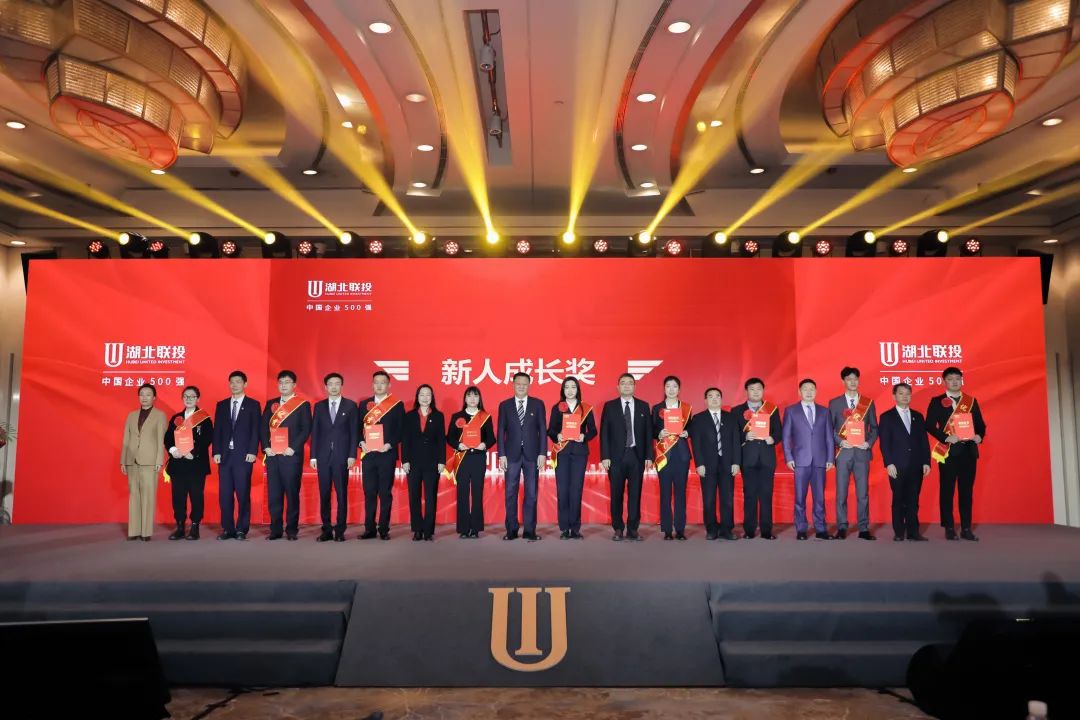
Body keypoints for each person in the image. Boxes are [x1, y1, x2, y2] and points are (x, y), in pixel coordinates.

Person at [925, 366, 986, 541]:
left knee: (966, 492)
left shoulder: (971, 401)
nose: (954, 382)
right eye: (950, 379)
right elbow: (929, 425)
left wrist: (979, 436)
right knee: (947, 490)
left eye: (957, 379)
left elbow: (981, 425)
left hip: (969, 452)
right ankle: (949, 527)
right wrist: (945, 437)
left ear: (961, 380)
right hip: (948, 453)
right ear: (944, 381)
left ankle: (966, 528)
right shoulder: (937, 401)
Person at [599, 373, 653, 541]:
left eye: (630, 383)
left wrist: (649, 456)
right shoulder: (610, 406)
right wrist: (605, 456)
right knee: (616, 494)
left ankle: (633, 529)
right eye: (623, 383)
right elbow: (604, 433)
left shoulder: (644, 406)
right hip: (616, 457)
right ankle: (618, 528)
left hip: (637, 455)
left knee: (635, 494)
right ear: (618, 387)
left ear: (635, 386)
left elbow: (648, 433)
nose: (627, 386)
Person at [827, 367, 879, 540]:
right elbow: (829, 429)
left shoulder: (868, 403)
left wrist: (868, 443)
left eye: (855, 379)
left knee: (863, 493)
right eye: (849, 379)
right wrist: (840, 441)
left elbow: (874, 428)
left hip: (862, 454)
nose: (853, 382)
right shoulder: (834, 403)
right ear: (843, 381)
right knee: (841, 493)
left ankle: (863, 528)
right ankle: (842, 527)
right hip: (843, 453)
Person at [497, 373, 548, 542]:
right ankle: (511, 530)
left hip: (532, 455)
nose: (521, 386)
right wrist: (501, 454)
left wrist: (542, 453)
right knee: (510, 493)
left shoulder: (538, 404)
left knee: (531, 494)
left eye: (524, 384)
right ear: (513, 385)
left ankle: (529, 530)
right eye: (518, 384)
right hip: (511, 455)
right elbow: (500, 431)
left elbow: (542, 429)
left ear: (529, 385)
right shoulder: (504, 405)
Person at [261, 370, 311, 541]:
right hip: (273, 456)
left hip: (291, 456)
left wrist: (293, 447)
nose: (283, 385)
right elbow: (263, 427)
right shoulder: (271, 404)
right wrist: (266, 447)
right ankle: (275, 529)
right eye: (281, 382)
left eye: (287, 382)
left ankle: (291, 530)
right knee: (274, 495)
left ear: (294, 385)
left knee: (291, 494)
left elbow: (306, 429)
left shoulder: (302, 405)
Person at [783, 378, 835, 540]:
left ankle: (820, 529)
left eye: (812, 389)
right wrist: (788, 457)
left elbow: (829, 437)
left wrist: (830, 458)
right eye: (805, 389)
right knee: (800, 497)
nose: (809, 392)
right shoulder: (791, 411)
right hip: (799, 460)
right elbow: (786, 437)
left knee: (819, 497)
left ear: (816, 391)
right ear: (799, 392)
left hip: (820, 460)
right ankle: (801, 529)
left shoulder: (824, 411)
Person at [879, 382, 931, 542]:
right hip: (897, 466)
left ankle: (914, 532)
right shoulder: (887, 417)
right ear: (894, 396)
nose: (905, 396)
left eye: (908, 393)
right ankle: (899, 532)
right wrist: (889, 463)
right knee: (898, 499)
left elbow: (924, 441)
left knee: (913, 499)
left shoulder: (918, 416)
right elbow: (884, 443)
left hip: (916, 465)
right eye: (901, 393)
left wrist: (926, 462)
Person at [212, 370, 261, 540]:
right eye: (232, 382)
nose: (234, 385)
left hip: (244, 456)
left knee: (242, 493)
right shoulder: (222, 405)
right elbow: (217, 430)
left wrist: (252, 451)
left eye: (238, 382)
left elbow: (255, 430)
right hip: (225, 456)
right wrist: (216, 451)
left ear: (245, 384)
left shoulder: (253, 405)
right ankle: (228, 529)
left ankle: (241, 529)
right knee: (225, 495)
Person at [730, 378, 781, 540]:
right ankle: (749, 530)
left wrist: (772, 438)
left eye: (759, 389)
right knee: (750, 494)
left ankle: (766, 530)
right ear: (746, 391)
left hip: (767, 458)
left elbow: (779, 432)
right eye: (752, 389)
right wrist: (745, 436)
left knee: (766, 494)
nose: (756, 392)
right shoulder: (737, 411)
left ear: (763, 390)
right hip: (748, 458)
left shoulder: (772, 409)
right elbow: (732, 435)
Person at [547, 376, 597, 540]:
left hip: (579, 453)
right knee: (562, 491)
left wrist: (584, 436)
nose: (570, 390)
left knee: (576, 490)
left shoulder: (585, 408)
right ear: (563, 390)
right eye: (567, 387)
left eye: (573, 387)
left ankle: (575, 528)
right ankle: (564, 528)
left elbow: (593, 431)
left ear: (578, 389)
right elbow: (551, 430)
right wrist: (557, 435)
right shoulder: (557, 407)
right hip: (562, 453)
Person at [309, 372, 358, 542]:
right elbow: (315, 432)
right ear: (326, 387)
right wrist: (313, 456)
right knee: (324, 494)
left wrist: (352, 455)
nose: (334, 387)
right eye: (330, 384)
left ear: (342, 386)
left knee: (341, 494)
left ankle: (340, 530)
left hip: (342, 457)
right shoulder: (319, 406)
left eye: (337, 383)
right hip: (323, 457)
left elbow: (354, 432)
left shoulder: (350, 406)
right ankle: (326, 529)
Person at [689, 387, 742, 540]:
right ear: (705, 400)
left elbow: (736, 441)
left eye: (717, 396)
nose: (714, 398)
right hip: (707, 465)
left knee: (727, 499)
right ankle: (711, 529)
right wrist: (699, 464)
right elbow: (696, 443)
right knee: (709, 499)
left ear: (721, 399)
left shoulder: (731, 418)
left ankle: (727, 529)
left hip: (727, 464)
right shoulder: (698, 418)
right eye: (710, 396)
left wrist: (736, 462)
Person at [358, 370, 405, 540]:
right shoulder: (364, 404)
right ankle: (369, 529)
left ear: (389, 385)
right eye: (376, 382)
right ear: (372, 384)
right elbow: (357, 428)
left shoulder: (396, 405)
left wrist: (389, 444)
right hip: (368, 455)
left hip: (387, 454)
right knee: (369, 492)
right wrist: (361, 442)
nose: (379, 385)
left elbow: (401, 429)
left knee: (385, 493)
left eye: (383, 382)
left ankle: (384, 528)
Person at [163, 386, 213, 541]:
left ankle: (195, 526)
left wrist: (194, 452)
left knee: (196, 496)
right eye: (186, 396)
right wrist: (172, 450)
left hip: (196, 464)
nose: (189, 399)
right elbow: (168, 438)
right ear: (182, 398)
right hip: (178, 464)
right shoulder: (176, 418)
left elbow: (207, 439)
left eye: (192, 396)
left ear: (198, 399)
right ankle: (180, 527)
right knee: (178, 497)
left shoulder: (204, 418)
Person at [446, 386, 495, 539]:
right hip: (462, 459)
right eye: (469, 396)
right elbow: (450, 437)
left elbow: (491, 438)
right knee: (462, 493)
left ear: (479, 399)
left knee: (477, 493)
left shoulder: (485, 416)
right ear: (465, 399)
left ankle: (475, 528)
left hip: (478, 458)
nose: (472, 399)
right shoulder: (457, 416)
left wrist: (484, 444)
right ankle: (463, 528)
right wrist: (458, 445)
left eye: (475, 396)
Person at [121, 383, 167, 541]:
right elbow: (126, 439)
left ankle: (146, 532)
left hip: (150, 461)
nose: (144, 397)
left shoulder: (160, 415)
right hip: (131, 460)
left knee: (148, 496)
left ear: (154, 398)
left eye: (148, 394)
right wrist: (123, 460)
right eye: (141, 394)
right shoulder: (131, 415)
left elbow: (161, 440)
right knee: (134, 495)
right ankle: (134, 530)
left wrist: (159, 460)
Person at [402, 384, 446, 541]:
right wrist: (405, 460)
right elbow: (405, 439)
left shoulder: (438, 416)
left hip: (432, 462)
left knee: (430, 497)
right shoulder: (410, 416)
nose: (425, 397)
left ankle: (428, 531)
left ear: (432, 397)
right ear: (417, 397)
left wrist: (442, 461)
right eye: (422, 394)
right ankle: (417, 529)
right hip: (413, 462)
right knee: (414, 496)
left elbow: (441, 440)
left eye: (428, 395)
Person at [652, 375, 693, 541]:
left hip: (681, 455)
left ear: (679, 389)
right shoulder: (657, 408)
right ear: (664, 388)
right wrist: (659, 433)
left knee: (680, 493)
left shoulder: (686, 408)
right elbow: (651, 429)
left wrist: (687, 432)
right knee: (665, 493)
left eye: (674, 386)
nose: (671, 389)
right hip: (664, 455)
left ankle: (680, 529)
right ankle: (667, 529)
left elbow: (692, 428)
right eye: (668, 386)